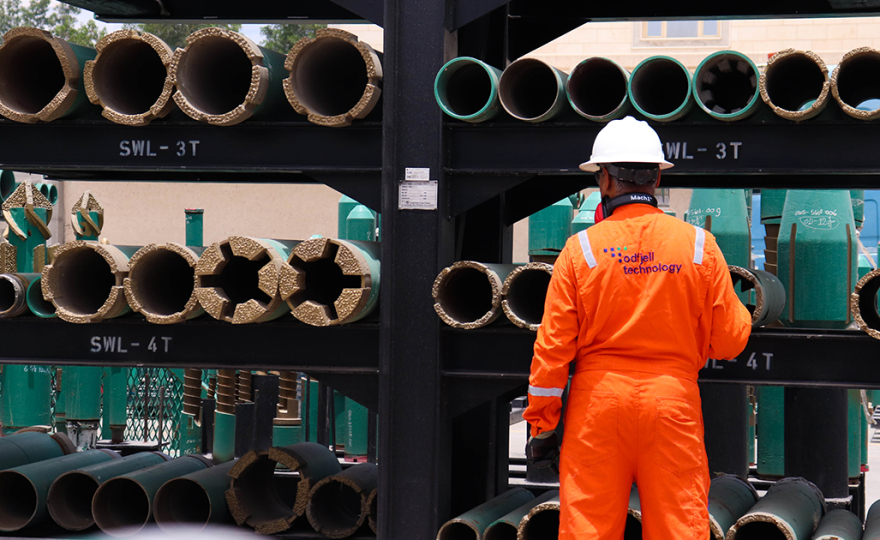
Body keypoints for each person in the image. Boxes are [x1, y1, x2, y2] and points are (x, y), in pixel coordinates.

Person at [522, 116, 752, 540]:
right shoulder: (699, 245)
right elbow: (730, 340)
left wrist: (543, 425)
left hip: (598, 411)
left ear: (605, 180)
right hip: (672, 407)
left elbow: (552, 348)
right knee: (679, 528)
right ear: (659, 176)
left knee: (587, 530)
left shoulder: (581, 250)